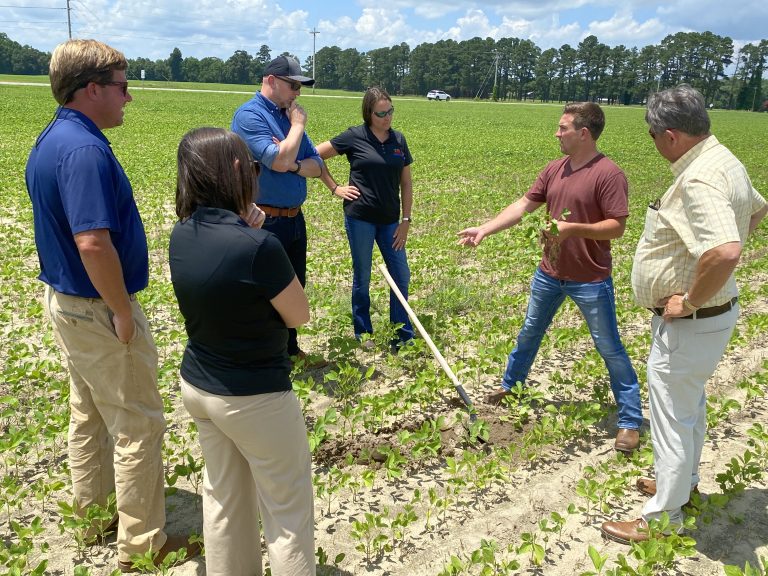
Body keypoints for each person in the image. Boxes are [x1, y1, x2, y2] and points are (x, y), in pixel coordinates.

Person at [24, 39, 200, 573]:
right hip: (97, 310)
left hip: (68, 304)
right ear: (92, 89)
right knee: (138, 424)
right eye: (123, 87)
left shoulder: (55, 138)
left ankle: (94, 514)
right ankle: (142, 546)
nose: (130, 97)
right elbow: (93, 243)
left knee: (89, 414)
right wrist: (121, 310)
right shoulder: (84, 151)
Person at [601, 85, 767, 544]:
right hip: (714, 315)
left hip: (693, 320)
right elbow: (756, 210)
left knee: (673, 415)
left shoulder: (698, 178)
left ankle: (661, 516)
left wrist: (690, 297)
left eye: (654, 135)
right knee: (689, 406)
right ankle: (683, 485)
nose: (654, 143)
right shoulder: (722, 159)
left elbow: (726, 248)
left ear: (670, 135)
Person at [169, 127, 315, 576]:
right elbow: (298, 315)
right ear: (236, 171)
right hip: (254, 395)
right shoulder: (260, 247)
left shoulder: (181, 233)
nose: (256, 174)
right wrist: (256, 236)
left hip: (199, 385)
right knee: (287, 511)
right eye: (252, 167)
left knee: (224, 499)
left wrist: (246, 227)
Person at [457, 102, 643, 453]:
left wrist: (572, 229)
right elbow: (522, 205)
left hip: (590, 278)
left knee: (609, 347)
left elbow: (617, 227)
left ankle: (630, 420)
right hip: (550, 272)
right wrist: (485, 228)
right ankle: (511, 387)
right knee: (529, 331)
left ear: (584, 133)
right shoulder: (554, 169)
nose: (557, 133)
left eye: (563, 128)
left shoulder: (609, 174)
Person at [231, 55, 325, 366]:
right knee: (266, 290)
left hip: (294, 218)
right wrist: (296, 130)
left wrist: (294, 160)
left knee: (295, 285)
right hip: (265, 219)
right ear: (271, 81)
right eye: (293, 85)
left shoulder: (286, 117)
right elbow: (277, 161)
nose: (298, 93)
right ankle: (267, 356)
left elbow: (316, 165)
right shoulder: (250, 116)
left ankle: (290, 350)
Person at [315, 86, 415, 350]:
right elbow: (315, 155)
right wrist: (335, 187)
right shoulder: (354, 136)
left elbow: (406, 183)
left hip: (391, 221)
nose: (387, 117)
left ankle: (401, 334)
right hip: (360, 218)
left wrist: (406, 221)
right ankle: (364, 333)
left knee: (401, 274)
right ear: (368, 113)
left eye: (390, 111)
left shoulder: (399, 141)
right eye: (381, 113)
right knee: (363, 276)